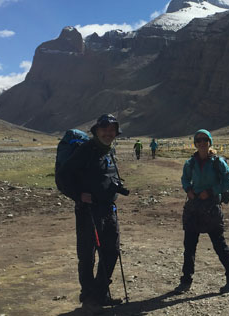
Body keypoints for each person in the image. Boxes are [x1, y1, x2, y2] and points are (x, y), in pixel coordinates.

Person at [56, 114, 131, 311]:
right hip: (88, 211)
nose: (108, 132)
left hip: (108, 208)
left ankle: (101, 293)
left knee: (111, 251)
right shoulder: (85, 150)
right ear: (96, 131)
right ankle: (88, 297)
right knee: (87, 255)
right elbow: (63, 176)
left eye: (112, 129)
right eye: (104, 129)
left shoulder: (108, 150)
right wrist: (78, 195)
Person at [174, 129, 229, 294]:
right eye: (198, 140)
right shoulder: (190, 163)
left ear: (210, 142)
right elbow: (184, 179)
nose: (202, 143)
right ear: (195, 144)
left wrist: (211, 191)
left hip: (211, 207)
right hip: (194, 207)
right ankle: (186, 281)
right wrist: (188, 189)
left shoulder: (218, 162)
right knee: (189, 246)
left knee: (219, 245)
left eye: (205, 140)